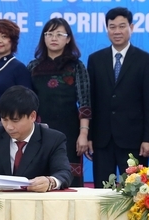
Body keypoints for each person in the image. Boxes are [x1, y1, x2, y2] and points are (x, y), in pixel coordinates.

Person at [87, 7, 149, 188]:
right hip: (102, 140)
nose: (117, 31)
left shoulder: (145, 60)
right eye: (112, 27)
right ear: (107, 29)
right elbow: (90, 100)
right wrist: (88, 136)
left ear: (131, 27)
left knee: (137, 193)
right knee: (102, 191)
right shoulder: (95, 59)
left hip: (134, 140)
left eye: (122, 26)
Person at [0, 85, 72, 192]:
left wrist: (50, 182)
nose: (9, 127)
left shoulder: (53, 139)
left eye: (15, 121)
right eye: (4, 119)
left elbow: (64, 173)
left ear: (32, 116)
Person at [27, 17, 90, 187]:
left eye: (59, 34)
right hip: (39, 130)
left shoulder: (76, 66)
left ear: (68, 38)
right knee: (38, 179)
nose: (54, 38)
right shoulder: (33, 67)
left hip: (69, 131)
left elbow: (84, 102)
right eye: (49, 34)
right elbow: (27, 102)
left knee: (69, 180)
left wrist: (83, 134)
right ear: (44, 37)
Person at [0, 19, 31, 121]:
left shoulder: (19, 68)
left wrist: (0, 106)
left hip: (9, 125)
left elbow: (26, 100)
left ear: (13, 41)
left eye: (4, 36)